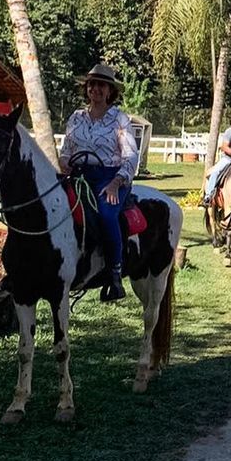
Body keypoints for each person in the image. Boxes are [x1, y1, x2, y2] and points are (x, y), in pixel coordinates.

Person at [59, 63, 140, 302]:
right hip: (78, 175)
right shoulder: (76, 118)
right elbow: (66, 150)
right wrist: (64, 163)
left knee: (106, 214)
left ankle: (114, 275)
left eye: (101, 85)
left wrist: (116, 183)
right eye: (92, 84)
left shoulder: (119, 119)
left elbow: (131, 155)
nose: (95, 88)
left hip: (110, 176)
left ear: (109, 91)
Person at [201, 112, 231, 206]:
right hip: (228, 159)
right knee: (215, 172)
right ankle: (209, 196)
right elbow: (224, 147)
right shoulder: (230, 131)